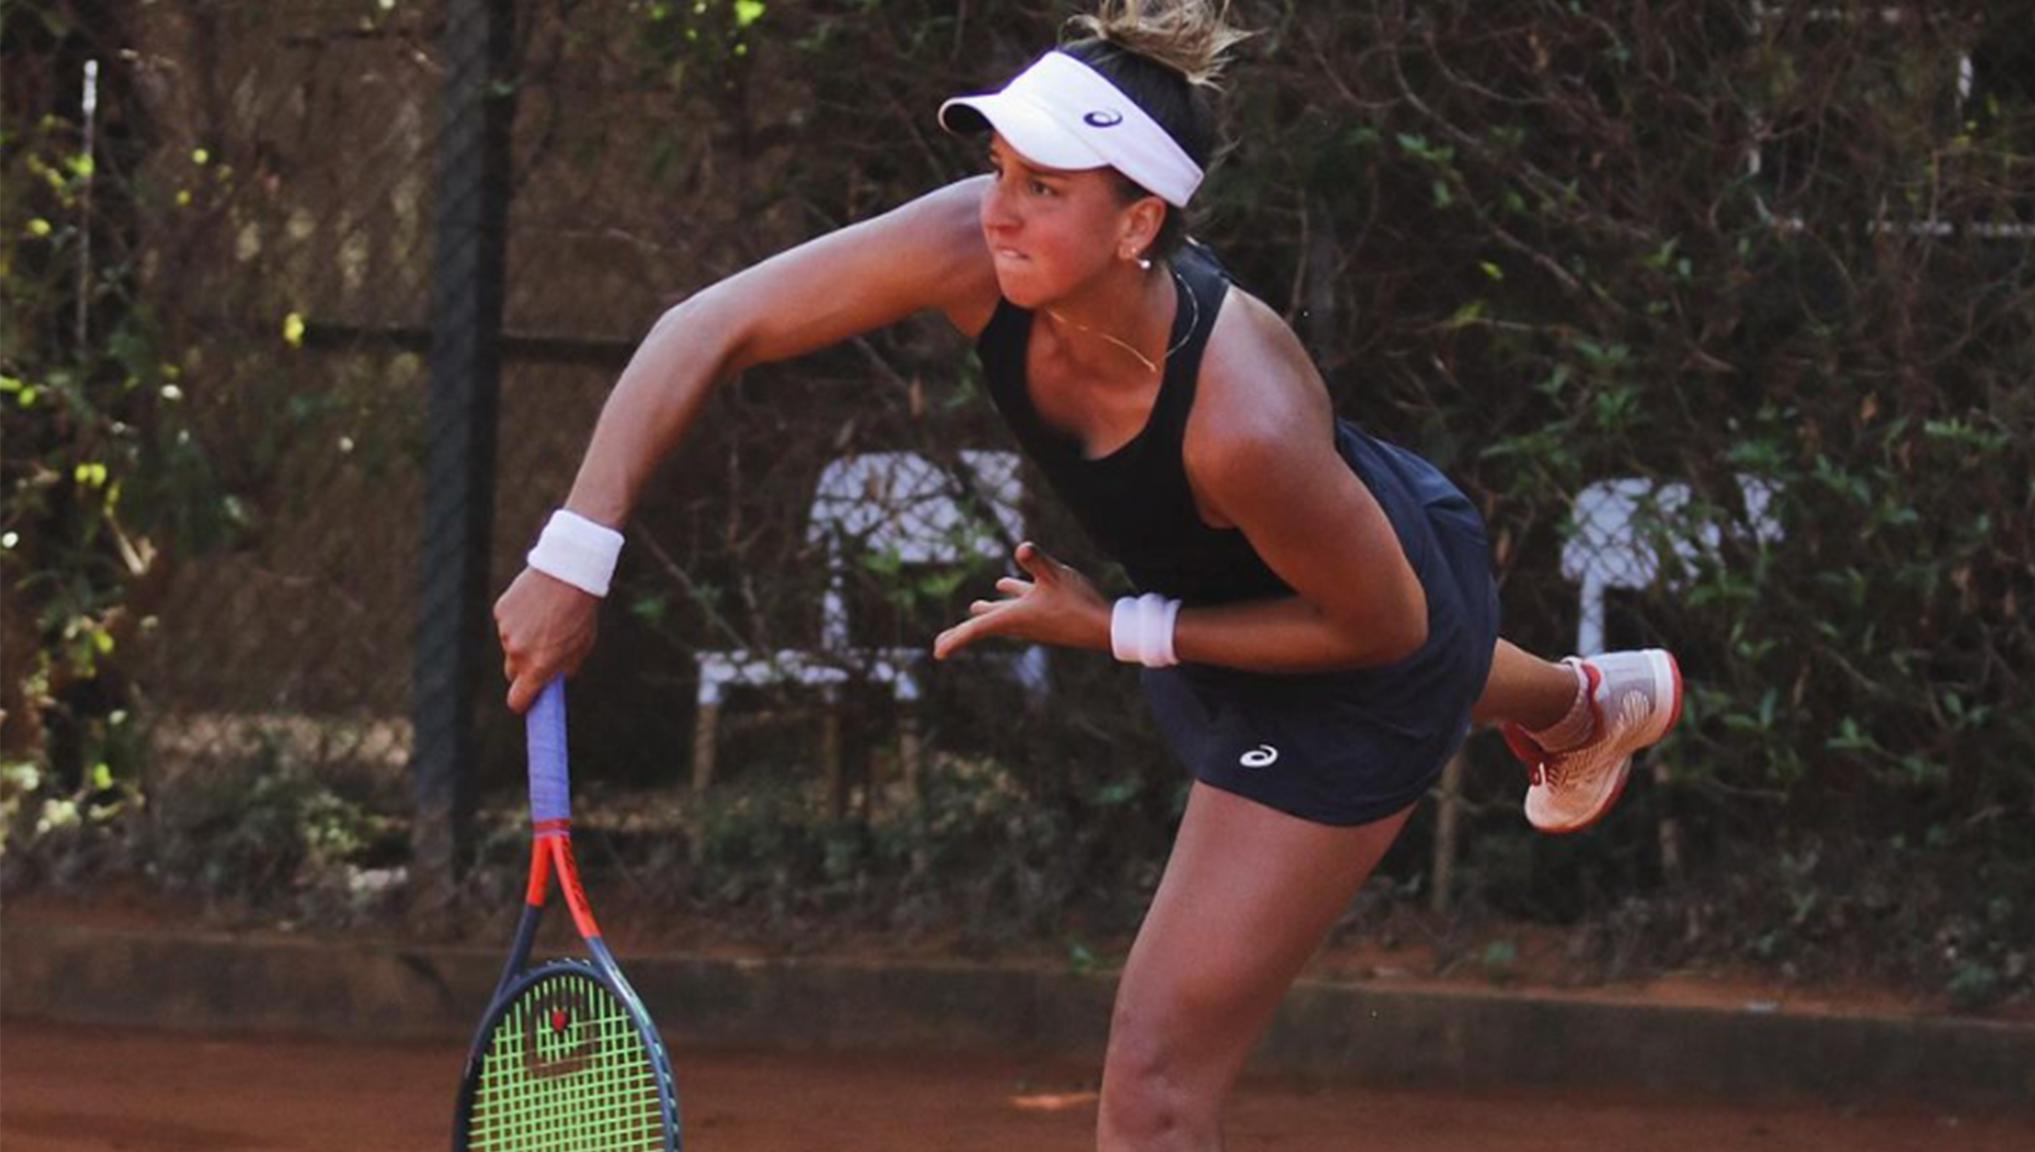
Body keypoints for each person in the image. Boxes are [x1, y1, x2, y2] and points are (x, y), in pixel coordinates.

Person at [495, 3, 1681, 1148]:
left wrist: (1121, 625)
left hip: (1359, 657)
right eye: (1002, 169)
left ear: (1137, 224)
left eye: (1043, 187)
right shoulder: (975, 245)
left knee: (1155, 1080)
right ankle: (1577, 705)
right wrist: (573, 558)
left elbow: (1382, 633)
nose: (998, 212)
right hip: (1288, 571)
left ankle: (1565, 704)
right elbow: (707, 324)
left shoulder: (1243, 419)